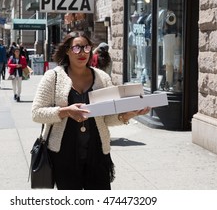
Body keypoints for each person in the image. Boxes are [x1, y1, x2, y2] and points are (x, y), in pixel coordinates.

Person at [31, 31, 150, 190]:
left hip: (97, 152)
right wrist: (66, 111)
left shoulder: (102, 78)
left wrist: (128, 115)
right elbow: (37, 113)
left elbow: (108, 118)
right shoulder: (53, 77)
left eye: (86, 48)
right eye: (77, 48)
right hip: (63, 154)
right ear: (67, 50)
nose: (82, 53)